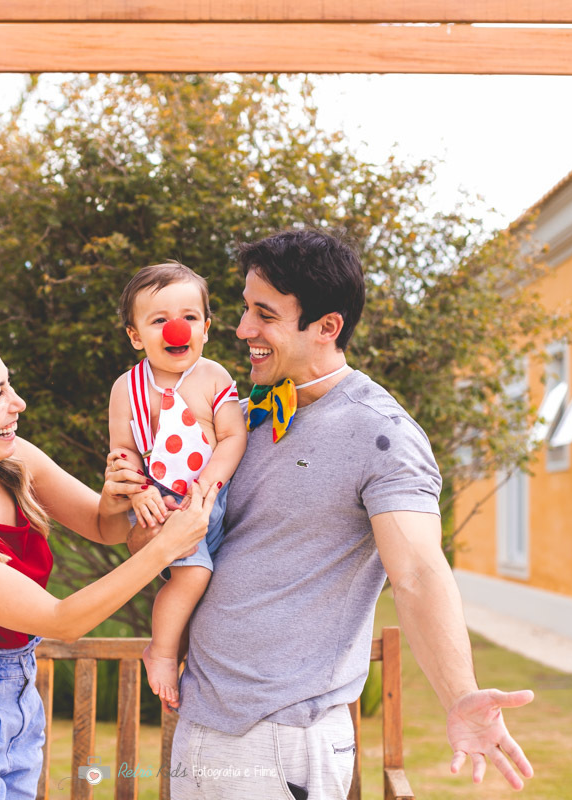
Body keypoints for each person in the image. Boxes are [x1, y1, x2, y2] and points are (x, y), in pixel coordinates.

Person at [123, 230, 536, 799]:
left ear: (326, 326)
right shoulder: (238, 421)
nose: (242, 330)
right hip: (202, 723)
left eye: (263, 314)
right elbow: (164, 553)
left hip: (284, 740)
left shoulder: (382, 434)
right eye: (244, 310)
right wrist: (138, 507)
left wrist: (460, 693)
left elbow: (417, 573)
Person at [0, 249, 218, 800]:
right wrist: (162, 550)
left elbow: (104, 528)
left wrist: (117, 494)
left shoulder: (15, 463)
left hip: (16, 696)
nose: (19, 403)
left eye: (10, 385)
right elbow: (61, 620)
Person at [108, 262, 247, 708]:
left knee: (212, 584)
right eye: (159, 320)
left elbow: (232, 436)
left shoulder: (214, 378)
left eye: (189, 317)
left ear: (205, 328)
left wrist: (207, 486)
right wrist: (140, 492)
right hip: (163, 504)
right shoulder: (127, 389)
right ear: (135, 336)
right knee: (194, 573)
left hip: (211, 498)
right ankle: (162, 653)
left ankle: (185, 651)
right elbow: (124, 453)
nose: (176, 329)